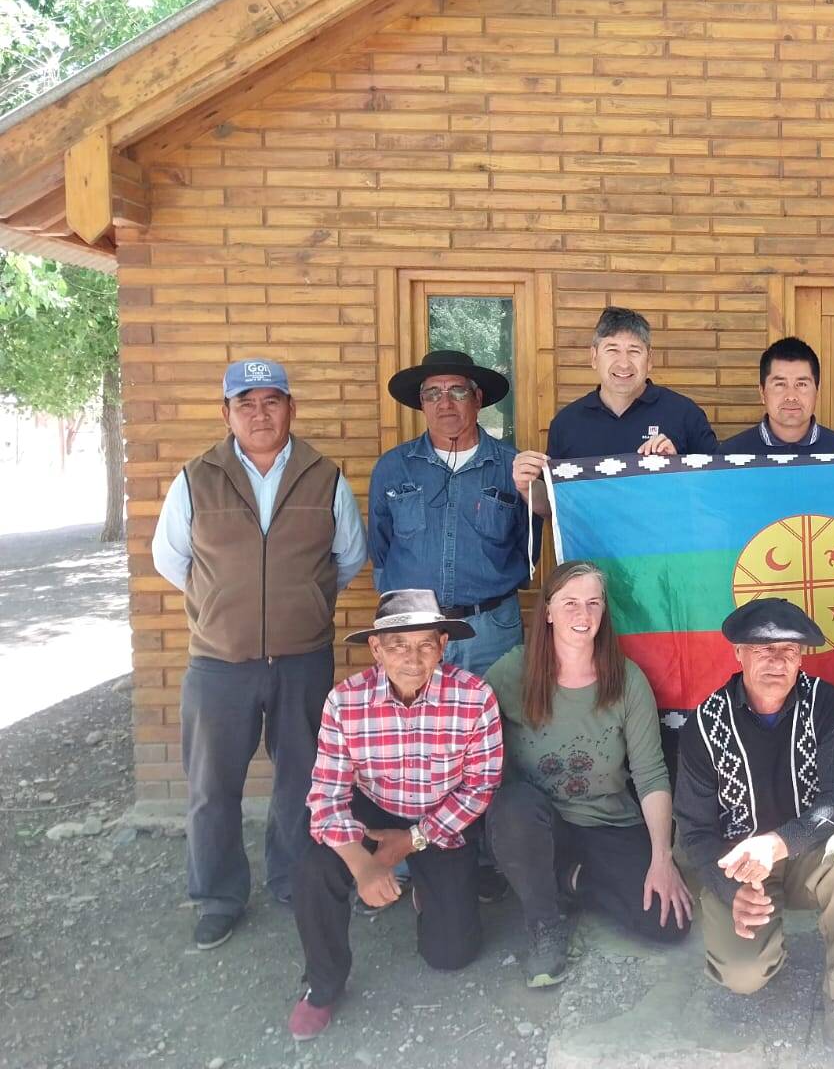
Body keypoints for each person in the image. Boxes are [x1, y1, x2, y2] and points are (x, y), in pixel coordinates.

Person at [150, 358, 367, 951]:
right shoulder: (196, 478)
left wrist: (302, 601)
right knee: (212, 785)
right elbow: (170, 560)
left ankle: (296, 878)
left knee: (303, 778)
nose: (259, 413)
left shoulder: (325, 476)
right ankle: (218, 896)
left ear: (291, 409)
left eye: (272, 401)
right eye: (246, 403)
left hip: (302, 659)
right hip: (219, 663)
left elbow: (347, 558)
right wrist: (223, 604)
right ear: (226, 413)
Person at [287, 590, 503, 1041]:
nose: (413, 658)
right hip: (374, 809)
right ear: (377, 649)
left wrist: (414, 840)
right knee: (314, 868)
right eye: (399, 645)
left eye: (426, 644)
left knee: (452, 954)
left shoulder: (476, 698)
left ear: (444, 646)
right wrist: (363, 864)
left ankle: (426, 885)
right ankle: (323, 985)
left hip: (441, 814)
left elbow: (479, 787)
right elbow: (326, 796)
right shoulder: (344, 701)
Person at [674, 598, 834, 1050]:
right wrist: (731, 890)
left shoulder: (824, 704)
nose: (776, 662)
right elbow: (692, 832)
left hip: (806, 855)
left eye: (788, 652)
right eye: (763, 650)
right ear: (739, 654)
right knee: (742, 975)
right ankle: (766, 939)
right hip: (740, 869)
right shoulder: (705, 724)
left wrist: (778, 843)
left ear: (801, 658)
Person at [485, 561, 692, 990]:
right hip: (542, 822)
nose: (583, 615)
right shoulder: (512, 673)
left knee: (669, 924)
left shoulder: (627, 680)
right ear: (547, 611)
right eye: (571, 603)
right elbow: (469, 738)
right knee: (512, 808)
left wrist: (662, 856)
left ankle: (570, 880)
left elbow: (651, 774)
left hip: (609, 822)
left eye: (593, 604)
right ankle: (544, 925)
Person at [367, 350, 534, 679]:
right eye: (433, 393)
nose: (445, 403)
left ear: (477, 398)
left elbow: (528, 543)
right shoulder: (393, 467)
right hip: (414, 630)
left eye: (457, 391)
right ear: (422, 403)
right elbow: (381, 548)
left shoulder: (511, 467)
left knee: (497, 723)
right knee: (415, 727)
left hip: (492, 630)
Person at [512, 306, 718, 511]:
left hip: (667, 543)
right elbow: (554, 507)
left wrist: (677, 468)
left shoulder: (685, 414)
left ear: (650, 360)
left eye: (634, 351)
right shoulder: (567, 423)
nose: (624, 364)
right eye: (612, 350)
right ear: (594, 357)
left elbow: (716, 491)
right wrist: (526, 487)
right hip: (590, 544)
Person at [718, 337, 834, 454]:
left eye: (801, 384)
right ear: (762, 392)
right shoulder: (730, 455)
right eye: (780, 384)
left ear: (817, 391)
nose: (791, 396)